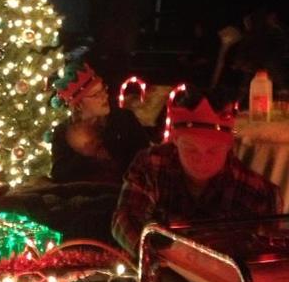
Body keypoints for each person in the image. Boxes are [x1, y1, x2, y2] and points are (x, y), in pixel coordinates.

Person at [111, 86, 281, 257]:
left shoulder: (257, 193)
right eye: (191, 149)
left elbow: (267, 254)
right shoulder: (151, 165)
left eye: (212, 150)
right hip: (162, 269)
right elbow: (124, 218)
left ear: (229, 146)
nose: (201, 158)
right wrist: (155, 254)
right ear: (175, 141)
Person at [51, 61, 149, 186]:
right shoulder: (63, 132)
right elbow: (59, 176)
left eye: (103, 89)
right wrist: (85, 155)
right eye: (96, 94)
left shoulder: (124, 119)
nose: (104, 96)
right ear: (79, 104)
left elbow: (145, 159)